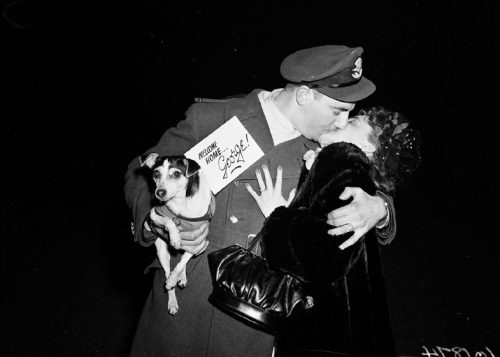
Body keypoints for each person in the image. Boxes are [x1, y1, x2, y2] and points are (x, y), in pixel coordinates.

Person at [124, 45, 397, 357]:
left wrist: (380, 208)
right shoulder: (217, 117)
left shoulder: (324, 151)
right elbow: (141, 170)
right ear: (304, 95)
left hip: (255, 329)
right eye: (337, 111)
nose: (341, 124)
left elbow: (369, 181)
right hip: (184, 312)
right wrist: (153, 219)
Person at [246, 107, 421, 356]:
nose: (341, 122)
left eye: (354, 121)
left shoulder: (342, 160)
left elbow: (318, 258)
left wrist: (276, 215)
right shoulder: (357, 178)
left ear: (370, 147)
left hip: (325, 337)